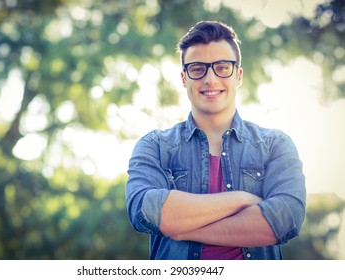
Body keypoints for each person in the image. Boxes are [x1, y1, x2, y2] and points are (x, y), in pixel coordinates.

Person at [125, 21, 306, 260]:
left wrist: (181, 227)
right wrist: (242, 200)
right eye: (198, 68)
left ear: (238, 75)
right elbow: (146, 211)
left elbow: (285, 220)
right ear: (184, 78)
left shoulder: (276, 146)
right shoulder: (155, 147)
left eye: (222, 67)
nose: (210, 79)